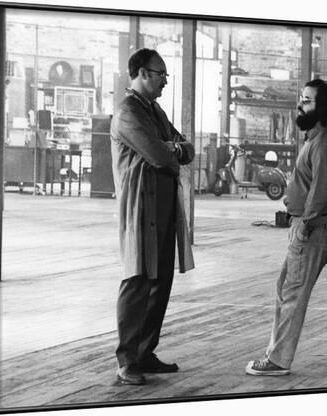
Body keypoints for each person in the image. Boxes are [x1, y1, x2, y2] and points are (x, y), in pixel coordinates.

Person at [245, 79, 327, 376]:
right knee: (284, 287)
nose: (300, 104)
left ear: (322, 107)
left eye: (308, 100)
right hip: (306, 226)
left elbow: (320, 190)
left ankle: (278, 361)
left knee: (292, 294)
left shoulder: (324, 144)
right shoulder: (314, 140)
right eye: (302, 98)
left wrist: (305, 224)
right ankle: (276, 354)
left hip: (313, 229)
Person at [110, 48, 195, 385]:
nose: (165, 81)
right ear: (143, 73)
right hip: (141, 209)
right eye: (161, 74)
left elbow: (185, 147)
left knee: (160, 282)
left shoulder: (154, 110)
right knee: (137, 281)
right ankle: (127, 360)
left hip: (163, 208)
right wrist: (172, 148)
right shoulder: (128, 112)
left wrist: (174, 147)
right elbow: (162, 156)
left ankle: (145, 352)